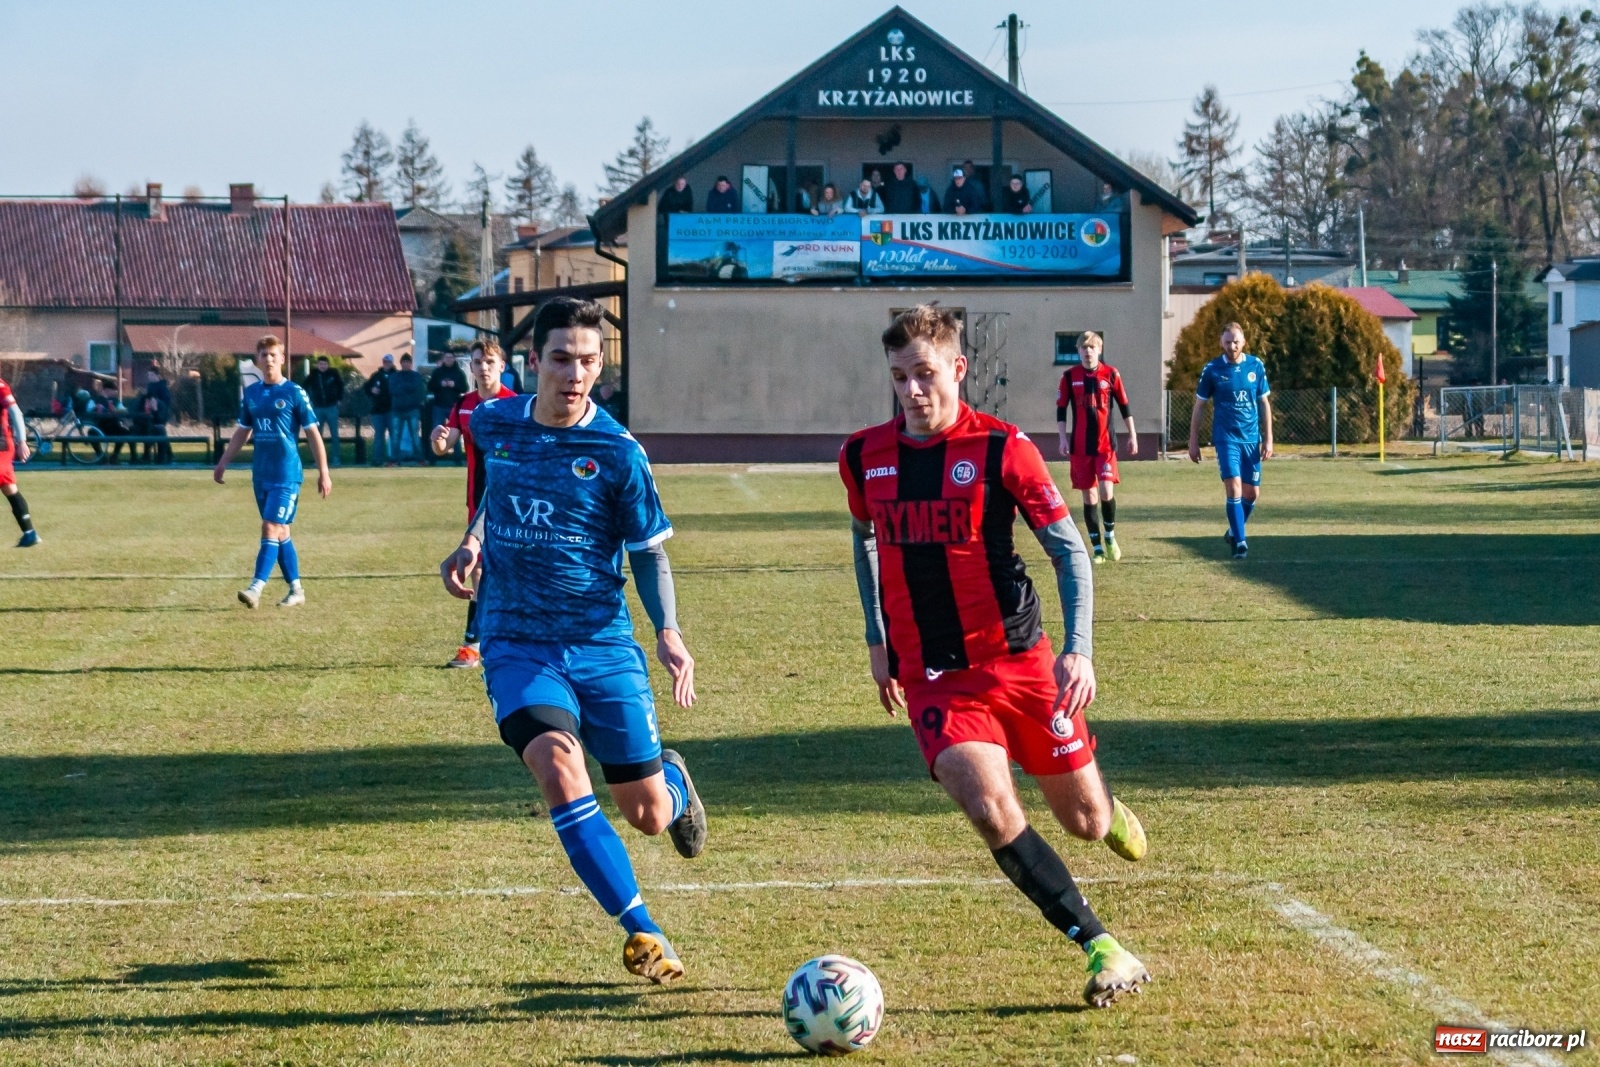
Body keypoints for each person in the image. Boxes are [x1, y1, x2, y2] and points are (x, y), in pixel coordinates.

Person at [840, 304, 1150, 1009]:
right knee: (985, 802)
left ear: (957, 368)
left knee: (1087, 823)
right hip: (935, 675)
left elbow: (1070, 550)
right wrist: (876, 634)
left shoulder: (1002, 449)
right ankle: (1102, 945)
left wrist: (1080, 650)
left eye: (924, 375)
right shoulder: (863, 455)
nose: (912, 392)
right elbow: (863, 539)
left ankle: (1108, 808)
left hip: (1020, 662)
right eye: (898, 378)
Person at [438, 297, 707, 985]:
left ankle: (675, 784)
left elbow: (649, 552)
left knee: (646, 813)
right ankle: (643, 929)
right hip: (516, 641)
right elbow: (493, 494)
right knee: (558, 764)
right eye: (562, 358)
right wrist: (469, 544)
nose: (577, 372)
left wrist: (668, 631)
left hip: (601, 641)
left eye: (590, 359)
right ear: (534, 363)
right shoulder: (496, 421)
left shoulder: (618, 452)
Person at [214, 335, 332, 608]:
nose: (268, 359)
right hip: (261, 474)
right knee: (280, 532)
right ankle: (296, 590)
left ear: (282, 359)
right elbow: (243, 432)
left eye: (273, 355)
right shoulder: (253, 394)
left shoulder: (293, 392)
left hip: (287, 474)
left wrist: (323, 472)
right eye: (263, 355)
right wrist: (223, 462)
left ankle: (256, 588)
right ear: (257, 360)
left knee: (270, 526)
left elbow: (312, 433)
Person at [430, 340, 517, 669]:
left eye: (489, 361)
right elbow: (445, 446)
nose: (483, 367)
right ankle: (474, 644)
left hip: (511, 502)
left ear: (502, 367)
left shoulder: (515, 405)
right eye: (478, 362)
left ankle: (490, 641)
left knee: (508, 570)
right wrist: (438, 439)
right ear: (471, 367)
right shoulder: (464, 404)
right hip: (476, 500)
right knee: (480, 569)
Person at [1188, 322, 1273, 559]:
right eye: (1227, 342)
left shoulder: (1256, 365)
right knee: (1233, 486)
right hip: (1226, 439)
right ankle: (1241, 543)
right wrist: (1193, 441)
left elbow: (1264, 403)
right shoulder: (1212, 369)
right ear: (1221, 343)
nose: (1232, 346)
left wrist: (1268, 439)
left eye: (1236, 341)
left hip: (1251, 440)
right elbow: (1200, 406)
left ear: (1243, 342)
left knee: (1252, 494)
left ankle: (1233, 530)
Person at [1056, 332, 1137, 563]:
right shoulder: (1069, 377)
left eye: (1092, 347)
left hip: (1105, 446)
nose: (1087, 351)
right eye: (1083, 347)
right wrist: (1062, 438)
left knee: (1106, 490)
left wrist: (1132, 434)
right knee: (1089, 497)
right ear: (1078, 350)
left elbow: (1124, 405)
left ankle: (1110, 536)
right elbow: (1061, 410)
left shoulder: (1111, 374)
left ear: (1099, 350)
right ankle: (1097, 547)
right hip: (1080, 448)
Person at [0, 375, 39, 547]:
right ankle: (29, 533)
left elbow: (16, 412)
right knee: (10, 489)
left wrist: (22, 441)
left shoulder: (0, 386)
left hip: (1, 445)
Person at [426, 350, 469, 466]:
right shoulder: (437, 372)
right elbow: (430, 386)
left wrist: (454, 385)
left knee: (455, 432)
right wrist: (440, 384)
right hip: (438, 406)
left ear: (454, 359)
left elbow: (465, 387)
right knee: (436, 432)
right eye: (447, 357)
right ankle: (433, 458)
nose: (449, 359)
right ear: (443, 359)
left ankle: (458, 459)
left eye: (451, 357)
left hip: (453, 407)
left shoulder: (459, 373)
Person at [304, 356, 345, 467]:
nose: (322, 366)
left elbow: (341, 386)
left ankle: (336, 459)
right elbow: (304, 387)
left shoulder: (333, 374)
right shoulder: (313, 375)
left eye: (324, 364)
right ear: (318, 365)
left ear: (328, 365)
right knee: (317, 435)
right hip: (317, 408)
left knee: (334, 435)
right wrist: (308, 401)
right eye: (320, 364)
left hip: (332, 407)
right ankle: (317, 460)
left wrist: (339, 399)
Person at [387, 354, 427, 466]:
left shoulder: (416, 376)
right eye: (403, 362)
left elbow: (419, 390)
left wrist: (402, 387)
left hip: (413, 409)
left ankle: (420, 459)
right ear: (400, 364)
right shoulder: (394, 376)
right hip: (397, 410)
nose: (405, 364)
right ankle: (393, 460)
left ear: (411, 363)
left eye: (407, 362)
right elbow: (392, 390)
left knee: (415, 436)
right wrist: (408, 388)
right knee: (395, 436)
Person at [135, 368, 172, 464]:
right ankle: (167, 454)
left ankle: (162, 455)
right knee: (154, 431)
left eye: (151, 375)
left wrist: (157, 408)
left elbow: (166, 402)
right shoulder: (150, 386)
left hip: (159, 413)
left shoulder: (163, 387)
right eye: (149, 375)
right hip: (150, 415)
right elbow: (147, 398)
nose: (150, 377)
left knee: (158, 430)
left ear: (157, 375)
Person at [364, 353, 395, 466]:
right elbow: (366, 387)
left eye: (389, 362)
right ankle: (378, 459)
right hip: (377, 410)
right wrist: (371, 390)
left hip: (392, 410)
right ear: (383, 362)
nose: (387, 364)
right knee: (378, 436)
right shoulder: (376, 375)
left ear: (392, 363)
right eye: (385, 362)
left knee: (394, 436)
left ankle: (394, 459)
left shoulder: (396, 375)